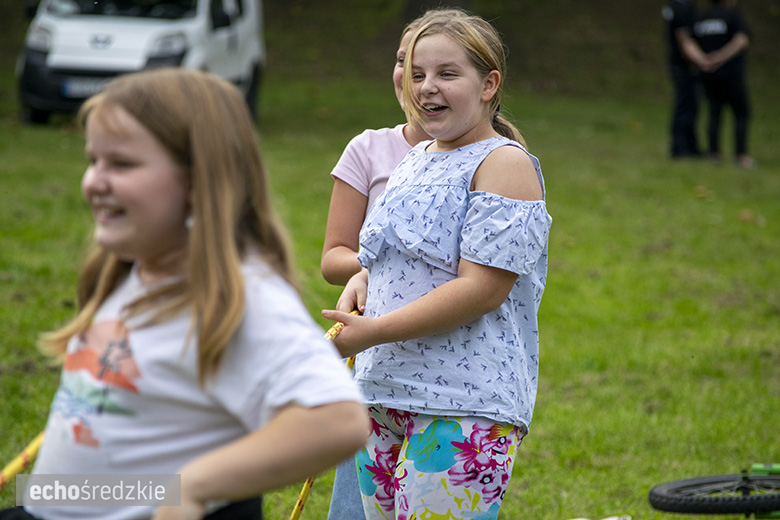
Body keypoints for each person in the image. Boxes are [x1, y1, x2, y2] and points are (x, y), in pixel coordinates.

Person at [2, 68, 368, 520]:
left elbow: (338, 420)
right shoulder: (134, 271)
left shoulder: (241, 298)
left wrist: (194, 488)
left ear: (197, 181)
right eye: (93, 160)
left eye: (121, 164)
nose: (93, 182)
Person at [322, 9, 552, 520]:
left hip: (460, 402)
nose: (427, 87)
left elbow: (481, 290)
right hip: (383, 391)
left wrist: (375, 330)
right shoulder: (417, 156)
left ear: (489, 83)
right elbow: (386, 258)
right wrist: (362, 281)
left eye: (448, 74)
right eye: (419, 74)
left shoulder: (505, 163)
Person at [321, 9, 465, 519]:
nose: (416, 77)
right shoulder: (369, 148)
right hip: (374, 358)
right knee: (355, 505)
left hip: (451, 367)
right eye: (405, 61)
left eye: (438, 69)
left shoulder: (492, 158)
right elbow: (333, 254)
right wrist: (366, 271)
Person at [693, 0, 754, 168]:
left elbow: (690, 40)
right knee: (741, 113)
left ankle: (714, 154)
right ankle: (741, 156)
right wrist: (720, 57)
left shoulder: (702, 17)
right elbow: (742, 40)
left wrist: (705, 61)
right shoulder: (733, 15)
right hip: (731, 75)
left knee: (714, 113)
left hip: (708, 74)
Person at [662, 0, 708, 159]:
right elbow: (683, 39)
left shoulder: (684, 6)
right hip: (684, 66)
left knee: (692, 106)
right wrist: (700, 60)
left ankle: (691, 146)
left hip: (686, 64)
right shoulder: (681, 8)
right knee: (685, 106)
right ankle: (681, 148)